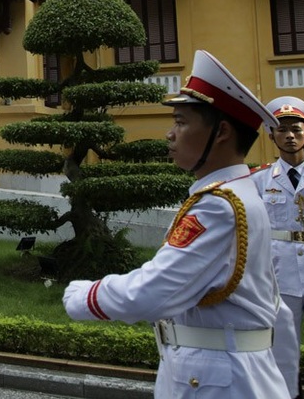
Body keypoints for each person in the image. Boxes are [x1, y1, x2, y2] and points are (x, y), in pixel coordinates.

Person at [63, 50, 288, 398]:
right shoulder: (236, 193)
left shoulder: (217, 206)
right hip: (224, 369)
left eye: (181, 122)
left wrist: (82, 296)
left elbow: (153, 291)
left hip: (218, 379)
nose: (170, 134)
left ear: (222, 132)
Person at [252, 96, 304, 398]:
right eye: (282, 130)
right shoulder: (259, 180)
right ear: (272, 135)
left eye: (296, 129)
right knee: (282, 351)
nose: (290, 135)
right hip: (279, 276)